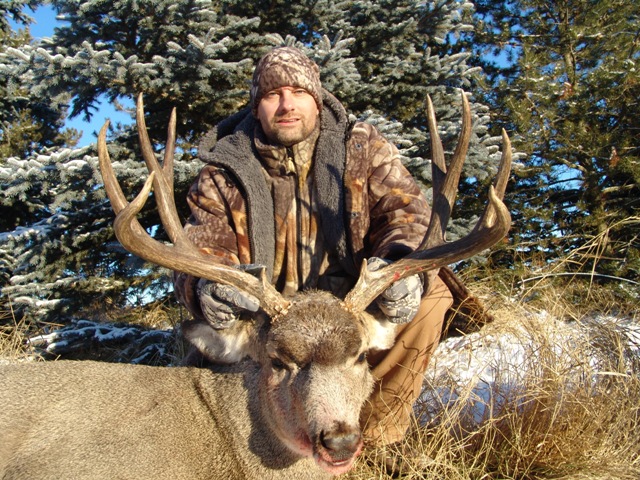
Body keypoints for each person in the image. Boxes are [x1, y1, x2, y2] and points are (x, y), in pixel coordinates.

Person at [173, 46, 484, 472]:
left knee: (431, 296)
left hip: (350, 309)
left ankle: (375, 438)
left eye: (298, 92)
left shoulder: (361, 148)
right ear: (257, 106)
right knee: (205, 384)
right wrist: (209, 287)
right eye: (272, 94)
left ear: (316, 100)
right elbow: (200, 250)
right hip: (270, 318)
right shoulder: (224, 172)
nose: (286, 104)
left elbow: (406, 215)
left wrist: (398, 266)